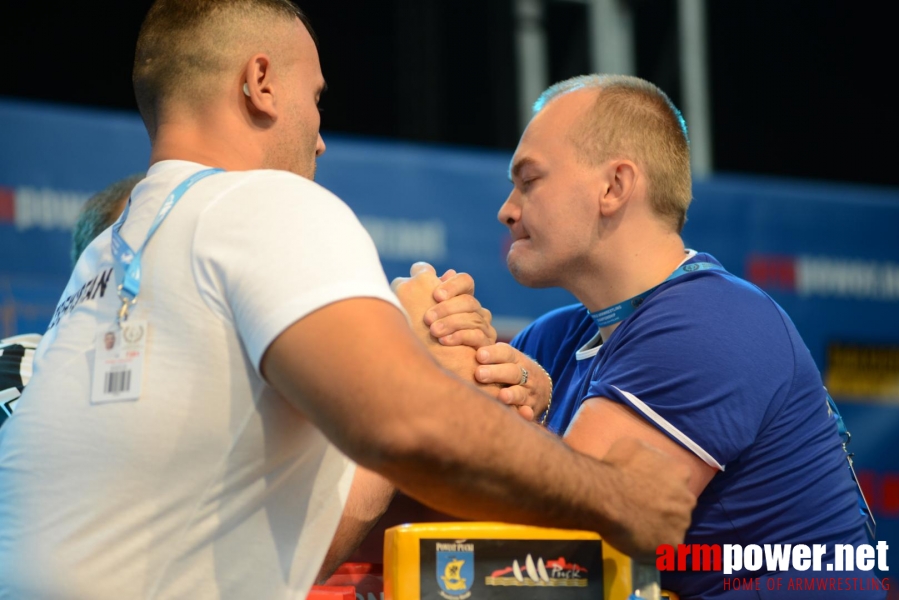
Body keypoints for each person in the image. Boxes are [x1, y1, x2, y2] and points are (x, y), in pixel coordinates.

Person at [0, 6, 696, 600]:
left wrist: (421, 356)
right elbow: (405, 427)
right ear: (261, 83)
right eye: (318, 99)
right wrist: (619, 496)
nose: (320, 134)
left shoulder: (113, 251)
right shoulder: (261, 202)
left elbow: (268, 511)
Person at [410, 74, 884, 599]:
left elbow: (544, 554)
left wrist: (432, 366)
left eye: (529, 180)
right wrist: (460, 368)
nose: (507, 209)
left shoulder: (711, 321)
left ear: (614, 187)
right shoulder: (550, 342)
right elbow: (447, 525)